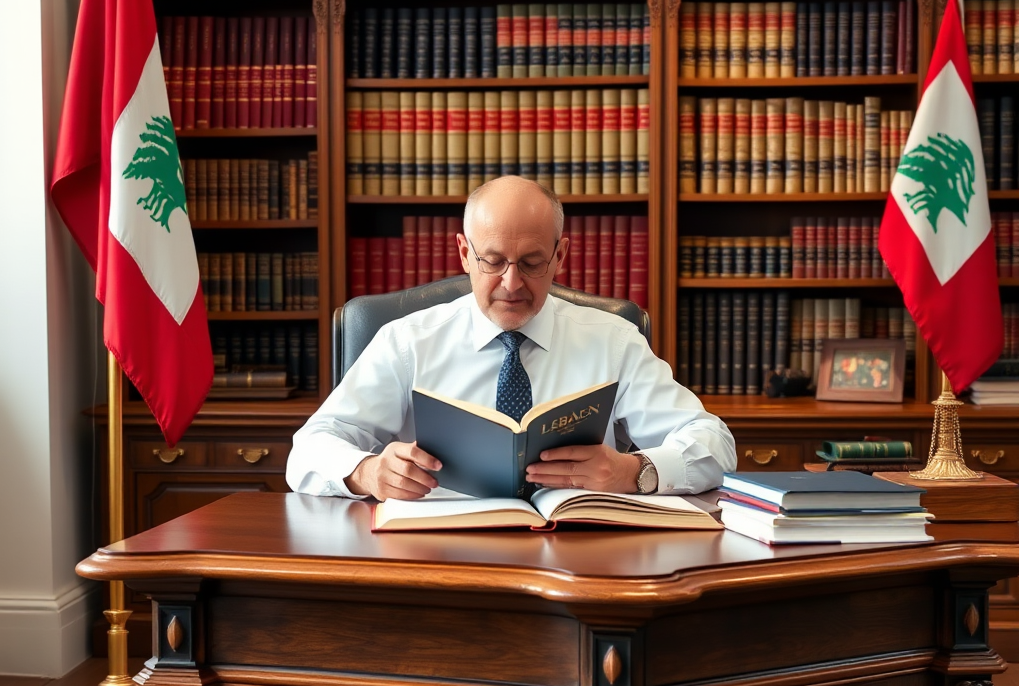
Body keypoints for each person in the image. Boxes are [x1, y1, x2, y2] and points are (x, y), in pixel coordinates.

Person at [286, 177, 736, 502]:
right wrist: (366, 472)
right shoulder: (407, 342)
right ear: (465, 253)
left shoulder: (614, 340)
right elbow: (309, 449)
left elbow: (715, 443)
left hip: (577, 560)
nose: (511, 283)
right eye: (493, 260)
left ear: (560, 255)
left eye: (532, 262)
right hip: (437, 554)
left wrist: (635, 472)